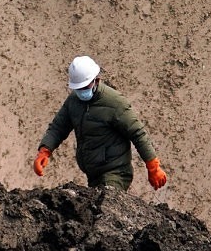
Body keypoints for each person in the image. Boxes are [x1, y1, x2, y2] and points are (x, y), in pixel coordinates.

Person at [33, 55, 167, 193]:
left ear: (96, 80)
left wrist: (153, 167)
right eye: (78, 88)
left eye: (85, 86)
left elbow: (138, 133)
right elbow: (58, 127)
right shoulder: (74, 101)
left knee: (106, 202)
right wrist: (44, 151)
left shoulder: (115, 103)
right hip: (93, 174)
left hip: (115, 173)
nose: (82, 91)